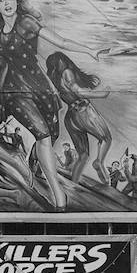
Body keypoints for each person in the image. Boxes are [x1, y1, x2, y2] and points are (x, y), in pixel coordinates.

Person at [0, 0, 105, 212]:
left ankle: (35, 166)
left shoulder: (26, 22)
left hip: (40, 87)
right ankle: (59, 196)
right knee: (43, 135)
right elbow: (6, 55)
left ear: (17, 2)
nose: (7, 3)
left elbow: (61, 42)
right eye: (2, 0)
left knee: (50, 136)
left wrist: (89, 50)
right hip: (15, 91)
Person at [45, 51, 114, 184]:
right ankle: (99, 162)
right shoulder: (67, 72)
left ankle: (73, 184)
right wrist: (102, 94)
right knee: (106, 139)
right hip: (84, 111)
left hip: (70, 117)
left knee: (83, 156)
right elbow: (79, 92)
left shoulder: (53, 80)